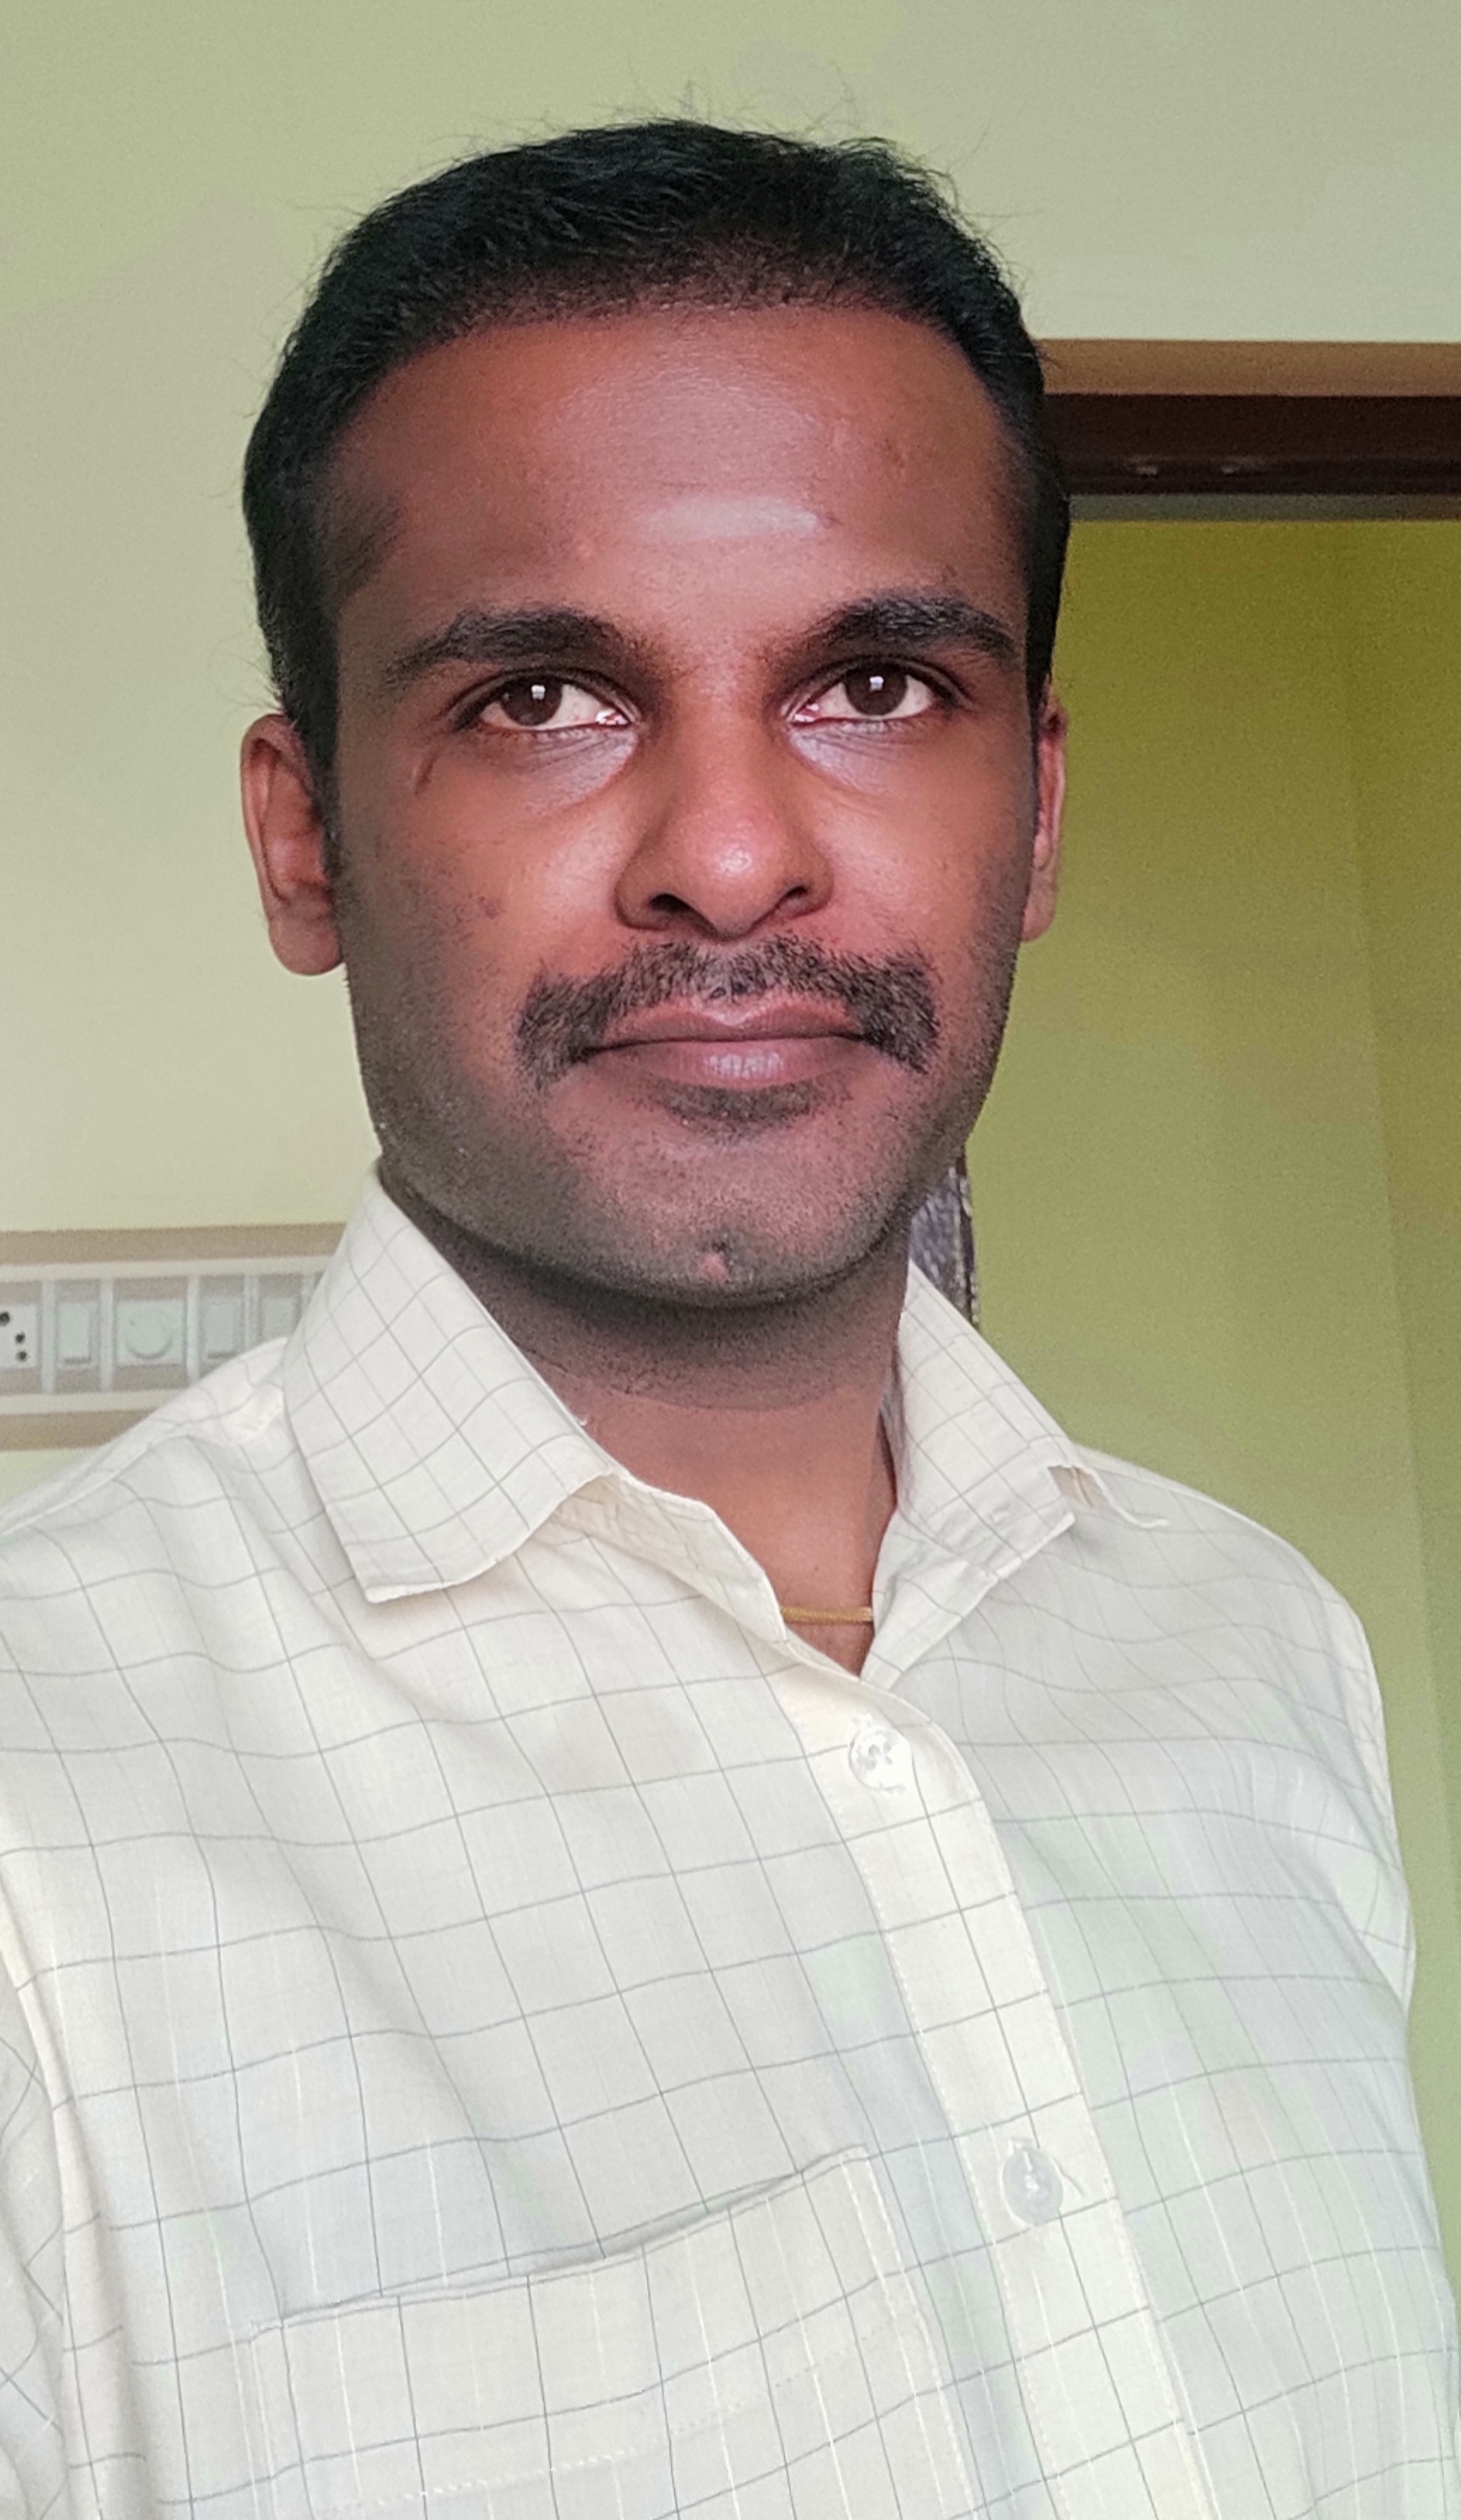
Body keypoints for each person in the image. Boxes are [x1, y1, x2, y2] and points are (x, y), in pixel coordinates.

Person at [0, 119, 1454, 2520]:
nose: (735, 854)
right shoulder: (44, 1814)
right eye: (542, 698)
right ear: (303, 836)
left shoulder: (1252, 1645)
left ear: (1037, 815)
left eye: (875, 681)